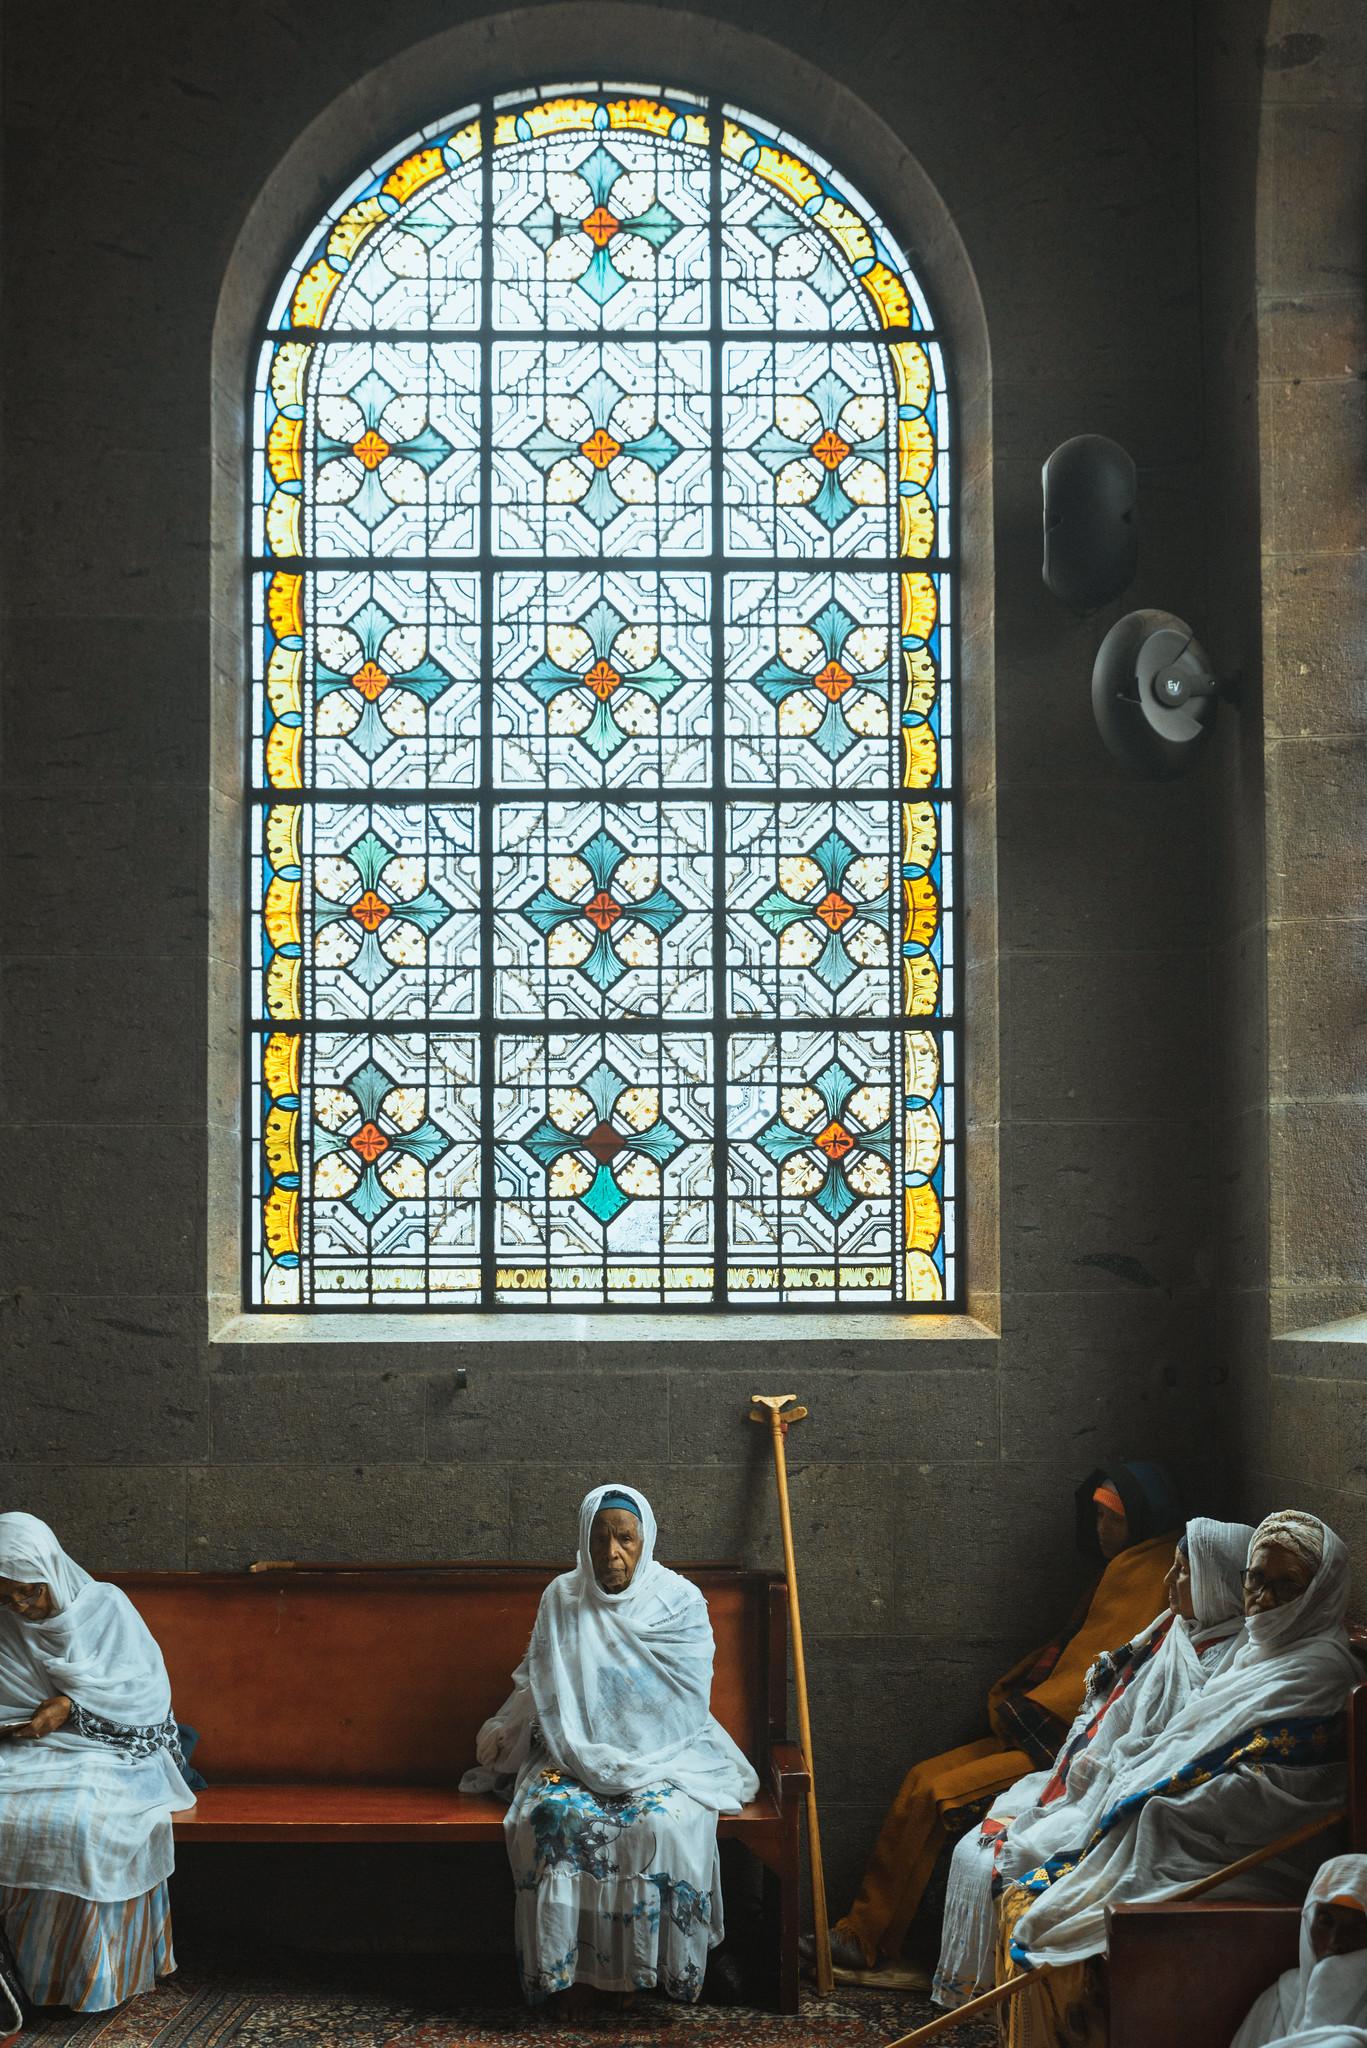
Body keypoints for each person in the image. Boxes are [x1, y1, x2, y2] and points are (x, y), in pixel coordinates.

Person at [993, 1509, 1358, 2048]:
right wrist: (1140, 1776)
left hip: (1257, 1848)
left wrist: (1167, 1803)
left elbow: (1291, 1785)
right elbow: (1183, 1738)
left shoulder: (1321, 1668)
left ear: (1321, 1593)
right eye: (1256, 1579)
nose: (1264, 1598)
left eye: (1288, 1586)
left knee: (1069, 1910)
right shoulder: (1256, 1651)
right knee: (1043, 1887)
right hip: (1200, 1819)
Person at [823, 1459, 1183, 1973]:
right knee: (922, 1776)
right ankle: (861, 1929)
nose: (1101, 1529)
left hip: (1070, 1747)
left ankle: (867, 1937)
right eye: (1097, 1516)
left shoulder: (1148, 1569)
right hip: (1047, 1729)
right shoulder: (1129, 1560)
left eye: (1114, 1519)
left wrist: (1029, 1708)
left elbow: (1099, 1673)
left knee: (936, 1791)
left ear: (1145, 1519)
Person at [931, 1515, 1252, 2010]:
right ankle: (989, 2004)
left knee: (1000, 1855)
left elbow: (1171, 1745)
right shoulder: (1172, 1629)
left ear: (1218, 1582)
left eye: (1183, 1573)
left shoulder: (1231, 1658)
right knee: (972, 1847)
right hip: (1093, 1774)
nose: (1169, 1583)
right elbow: (1110, 1711)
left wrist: (1107, 1774)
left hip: (1130, 1792)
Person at [476, 1485, 758, 2013]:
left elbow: (686, 1705)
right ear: (584, 1543)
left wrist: (627, 1754)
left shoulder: (677, 1602)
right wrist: (532, 1739)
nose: (612, 1554)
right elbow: (542, 1682)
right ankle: (568, 1976)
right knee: (553, 1817)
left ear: (645, 1539)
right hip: (570, 1754)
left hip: (666, 1753)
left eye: (625, 1538)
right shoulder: (562, 1596)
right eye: (599, 1539)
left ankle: (653, 1971)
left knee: (664, 1824)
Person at [0, 1513, 196, 2014]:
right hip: (22, 1752)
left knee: (82, 1822)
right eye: (5, 1596)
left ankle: (77, 1980)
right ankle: (10, 1983)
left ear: (50, 1572)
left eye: (29, 1592)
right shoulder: (3, 1621)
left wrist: (70, 1708)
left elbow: (146, 1701)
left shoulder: (104, 1607)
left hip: (107, 1751)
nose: (20, 1606)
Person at [1231, 1852, 1367, 2048]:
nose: (1334, 1941)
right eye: (1325, 1922)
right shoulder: (1283, 1996)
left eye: (1357, 1928)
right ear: (1308, 1923)